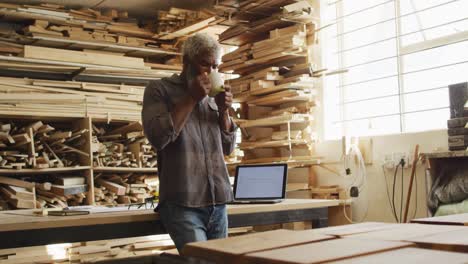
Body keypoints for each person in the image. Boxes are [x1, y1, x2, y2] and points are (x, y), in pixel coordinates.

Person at [142, 33, 237, 253]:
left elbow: (228, 148)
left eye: (215, 66)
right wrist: (191, 98)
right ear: (186, 61)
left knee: (221, 261)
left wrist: (224, 112)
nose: (210, 72)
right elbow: (158, 138)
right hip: (183, 202)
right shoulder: (159, 90)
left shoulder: (214, 96)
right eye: (205, 64)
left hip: (218, 201)